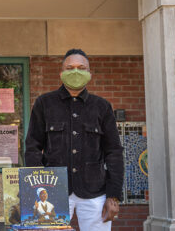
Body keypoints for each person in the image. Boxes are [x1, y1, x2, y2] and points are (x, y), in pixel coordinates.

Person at [25, 48, 124, 231]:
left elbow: (114, 152)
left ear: (89, 73)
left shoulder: (102, 107)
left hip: (95, 192)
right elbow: (33, 147)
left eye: (81, 67)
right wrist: (36, 190)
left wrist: (113, 195)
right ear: (62, 73)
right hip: (53, 190)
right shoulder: (44, 103)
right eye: (70, 67)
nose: (76, 71)